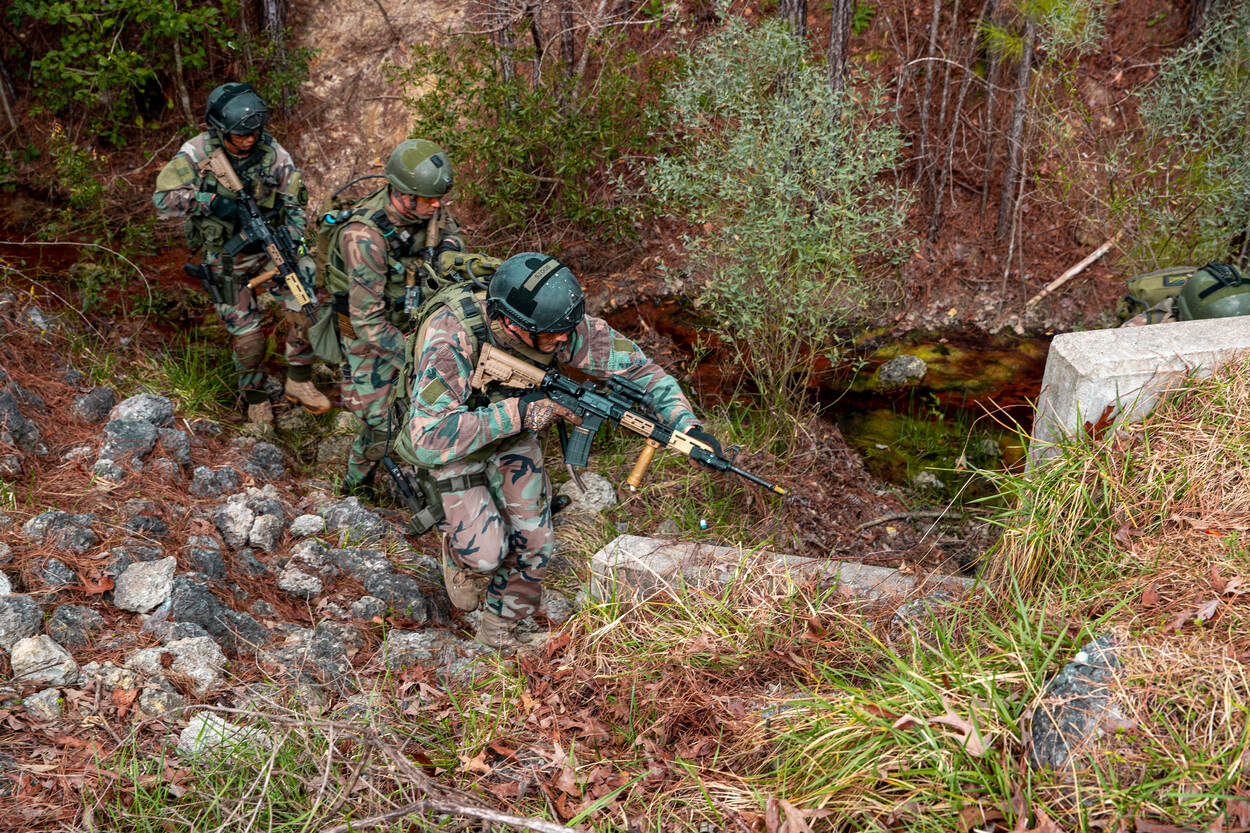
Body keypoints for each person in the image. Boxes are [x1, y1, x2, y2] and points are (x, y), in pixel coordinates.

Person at [402, 252, 721, 653]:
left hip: (513, 432)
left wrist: (687, 427)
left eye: (568, 330)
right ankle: (458, 551)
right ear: (513, 325)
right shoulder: (451, 336)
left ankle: (498, 631)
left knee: (536, 539)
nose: (565, 340)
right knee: (486, 554)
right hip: (455, 441)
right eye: (555, 335)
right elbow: (428, 436)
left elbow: (640, 371)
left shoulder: (557, 324)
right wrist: (519, 413)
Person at [153, 82, 330, 427]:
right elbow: (162, 199)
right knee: (249, 340)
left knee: (306, 308)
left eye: (255, 133)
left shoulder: (272, 153)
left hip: (269, 248)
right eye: (241, 135)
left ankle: (299, 379)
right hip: (225, 255)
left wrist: (290, 244)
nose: (250, 140)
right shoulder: (197, 152)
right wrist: (209, 202)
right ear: (221, 131)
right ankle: (255, 396)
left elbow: (294, 203)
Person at [326, 138, 464, 497]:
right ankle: (355, 488)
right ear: (403, 194)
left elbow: (451, 234)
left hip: (410, 319)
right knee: (382, 424)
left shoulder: (429, 207)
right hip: (364, 332)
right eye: (429, 200)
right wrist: (418, 358)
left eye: (439, 199)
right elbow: (367, 324)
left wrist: (447, 252)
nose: (438, 205)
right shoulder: (365, 238)